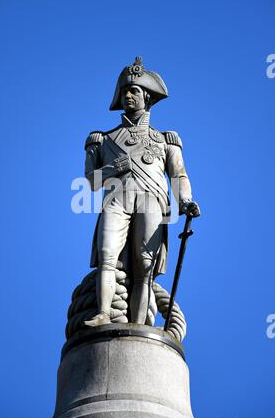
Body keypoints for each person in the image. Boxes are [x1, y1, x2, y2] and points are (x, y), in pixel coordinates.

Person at [83, 57, 200, 327]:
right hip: (116, 199)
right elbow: (91, 181)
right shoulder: (102, 139)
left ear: (146, 96)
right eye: (125, 91)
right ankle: (102, 313)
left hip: (152, 199)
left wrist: (185, 201)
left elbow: (178, 174)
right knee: (108, 256)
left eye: (134, 91)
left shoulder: (166, 140)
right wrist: (114, 167)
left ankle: (138, 326)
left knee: (144, 267)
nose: (128, 96)